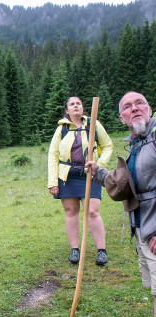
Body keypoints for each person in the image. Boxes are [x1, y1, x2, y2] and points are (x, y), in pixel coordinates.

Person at [87, 92, 156, 317]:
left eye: (139, 103)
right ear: (122, 118)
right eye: (127, 107)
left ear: (150, 108)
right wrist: (99, 173)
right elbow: (123, 185)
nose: (134, 109)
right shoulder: (138, 144)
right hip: (143, 227)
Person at [48, 96, 113, 265]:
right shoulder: (61, 129)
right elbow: (53, 155)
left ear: (82, 107)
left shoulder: (93, 124)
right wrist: (52, 181)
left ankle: (101, 251)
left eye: (78, 103)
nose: (75, 106)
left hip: (89, 175)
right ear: (67, 110)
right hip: (68, 176)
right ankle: (75, 250)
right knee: (71, 211)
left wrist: (99, 165)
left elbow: (107, 146)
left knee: (92, 211)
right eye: (72, 104)